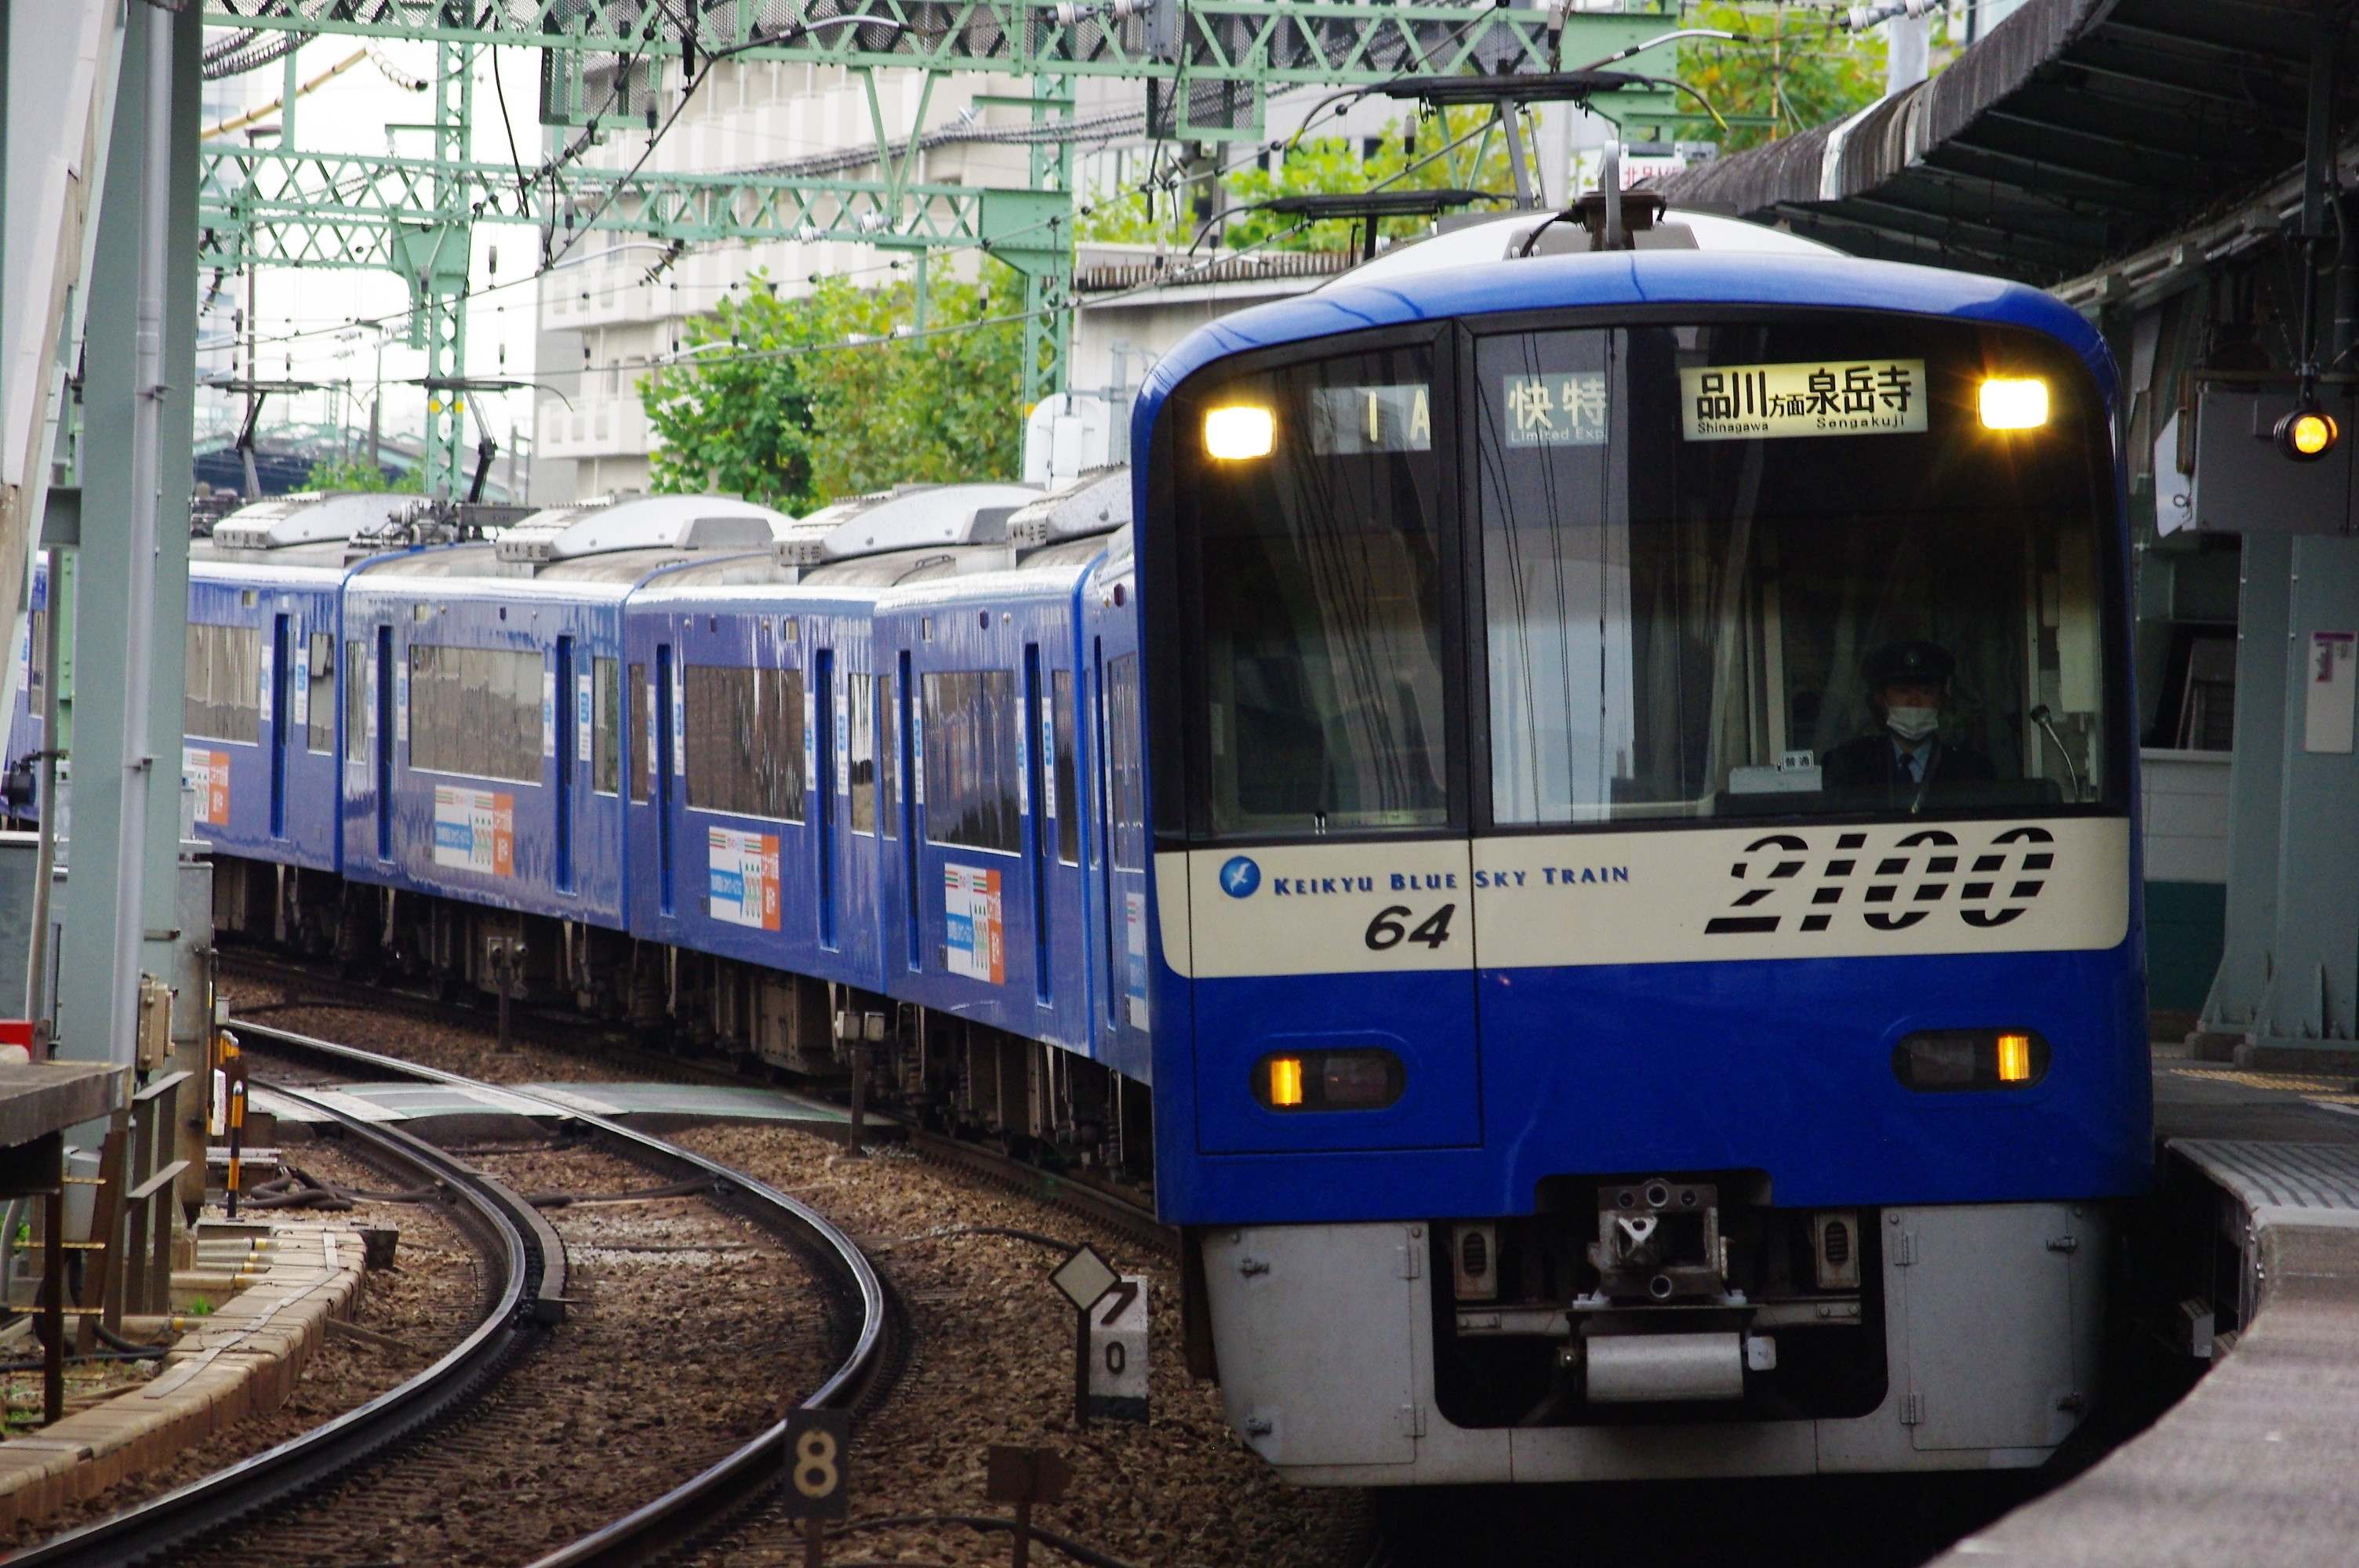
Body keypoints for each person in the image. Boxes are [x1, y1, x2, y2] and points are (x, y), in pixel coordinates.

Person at [1820, 641, 1995, 805]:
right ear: (1881, 700)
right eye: (1902, 691)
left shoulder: (1973, 770)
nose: (1914, 701)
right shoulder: (1849, 765)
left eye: (1926, 692)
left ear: (1942, 701)